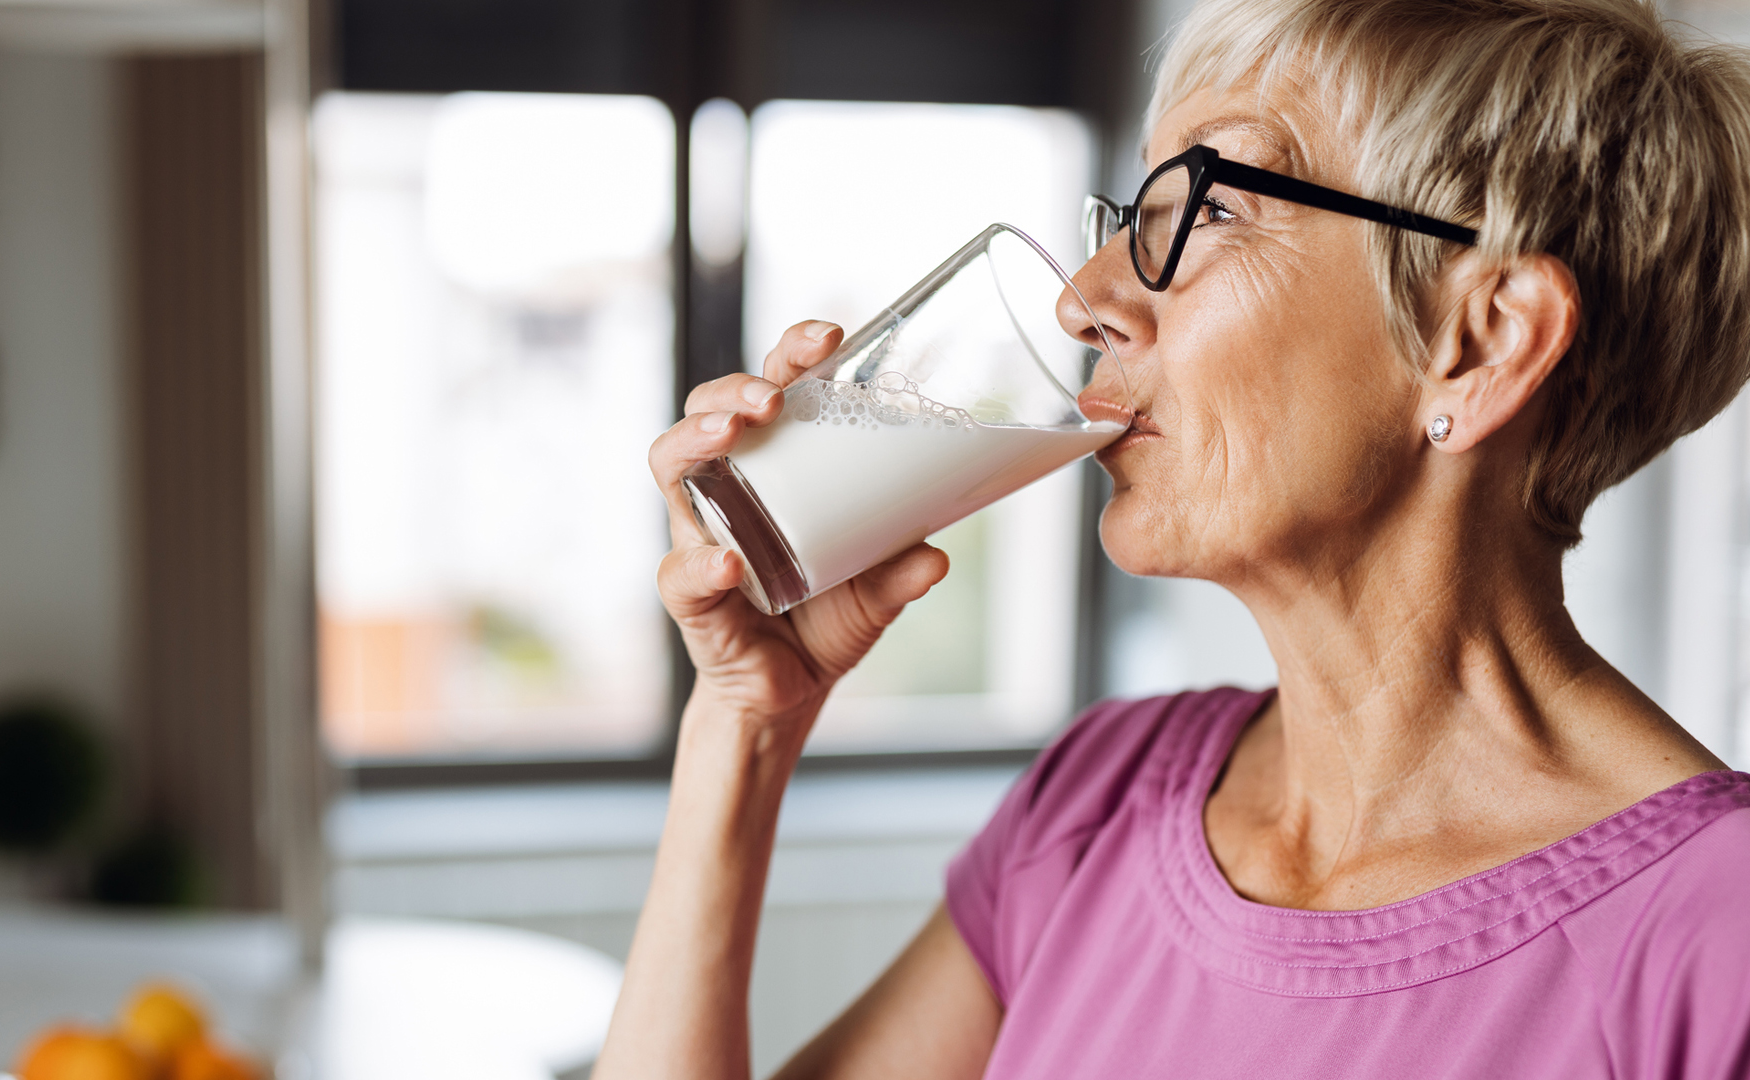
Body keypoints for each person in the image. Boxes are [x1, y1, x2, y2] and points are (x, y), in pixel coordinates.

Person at [596, 0, 1750, 1076]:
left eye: (1207, 208)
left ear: (1485, 340)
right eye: (1128, 216)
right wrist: (743, 727)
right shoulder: (1100, 803)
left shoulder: (1716, 943)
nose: (1084, 297)